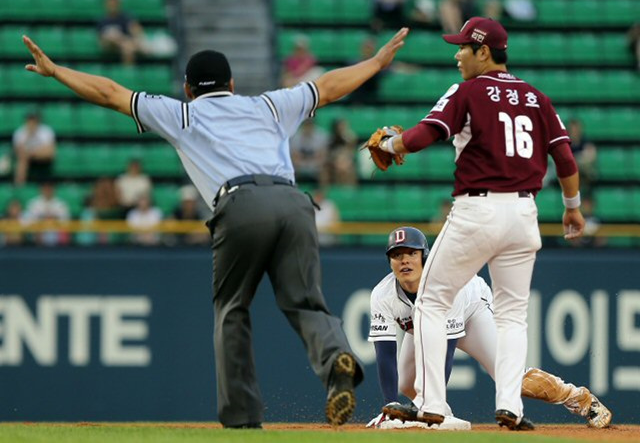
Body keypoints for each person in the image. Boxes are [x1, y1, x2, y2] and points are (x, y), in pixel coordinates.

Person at [21, 27, 410, 427]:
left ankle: (242, 417)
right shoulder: (271, 105)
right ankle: (335, 361)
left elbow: (110, 92)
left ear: (188, 89)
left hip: (239, 203)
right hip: (294, 202)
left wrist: (57, 71)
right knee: (305, 302)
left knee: (232, 309)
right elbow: (327, 87)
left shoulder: (183, 114)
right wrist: (376, 64)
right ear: (233, 84)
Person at [376, 17, 586, 431]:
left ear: (483, 51)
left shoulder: (470, 90)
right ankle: (510, 405)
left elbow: (424, 134)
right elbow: (564, 158)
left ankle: (432, 403)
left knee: (432, 302)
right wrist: (573, 207)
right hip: (525, 215)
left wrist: (390, 143)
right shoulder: (537, 98)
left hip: (478, 209)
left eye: (463, 48)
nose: (457, 54)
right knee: (512, 316)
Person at [368, 226, 612, 430]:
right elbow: (385, 353)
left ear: (425, 255)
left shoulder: (446, 283)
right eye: (397, 255)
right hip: (425, 324)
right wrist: (389, 406)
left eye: (411, 253)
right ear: (389, 261)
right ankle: (442, 415)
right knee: (407, 383)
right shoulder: (382, 294)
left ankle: (579, 399)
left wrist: (431, 404)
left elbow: (445, 350)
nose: (404, 260)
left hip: (472, 312)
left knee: (512, 379)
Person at [97, 0, 147, 65]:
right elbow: (101, 41)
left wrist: (136, 38)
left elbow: (136, 30)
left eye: (115, 3)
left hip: (125, 45)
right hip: (110, 46)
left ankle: (128, 73)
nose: (112, 5)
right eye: (110, 3)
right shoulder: (102, 20)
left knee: (128, 49)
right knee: (113, 36)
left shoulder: (125, 17)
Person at [12, 112, 56, 186]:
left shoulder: (46, 131)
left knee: (46, 152)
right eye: (30, 120)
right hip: (27, 158)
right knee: (22, 158)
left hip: (43, 157)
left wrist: (32, 152)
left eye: (34, 120)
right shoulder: (20, 132)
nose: (32, 123)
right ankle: (19, 185)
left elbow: (50, 151)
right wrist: (28, 136)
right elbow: (18, 151)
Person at [23, 181, 71, 246]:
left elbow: (66, 222)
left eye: (49, 189)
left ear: (53, 190)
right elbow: (27, 222)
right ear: (41, 190)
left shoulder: (61, 204)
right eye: (45, 189)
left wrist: (53, 220)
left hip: (55, 233)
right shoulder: (34, 203)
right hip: (38, 234)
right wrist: (41, 221)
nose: (47, 191)